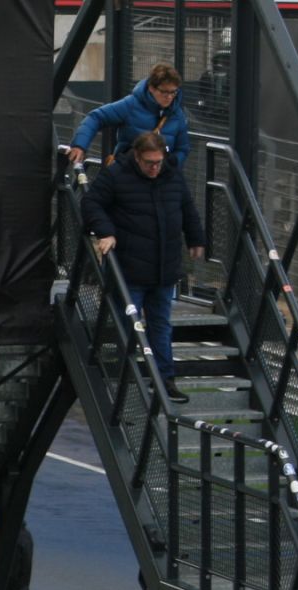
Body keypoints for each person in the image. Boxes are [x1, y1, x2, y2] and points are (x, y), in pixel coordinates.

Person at [83, 130, 207, 404]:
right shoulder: (116, 176)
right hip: (129, 268)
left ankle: (164, 379)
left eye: (158, 162)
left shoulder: (171, 175)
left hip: (164, 268)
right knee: (127, 324)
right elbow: (91, 203)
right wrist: (106, 232)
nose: (154, 167)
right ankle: (124, 379)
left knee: (160, 325)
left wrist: (196, 238)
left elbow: (186, 207)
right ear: (137, 157)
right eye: (149, 162)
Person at [68, 62, 190, 170]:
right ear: (151, 88)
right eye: (164, 92)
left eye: (173, 92)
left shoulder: (177, 114)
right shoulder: (131, 105)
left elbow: (182, 148)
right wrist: (80, 145)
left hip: (161, 176)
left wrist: (170, 166)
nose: (169, 97)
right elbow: (96, 118)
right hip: (128, 173)